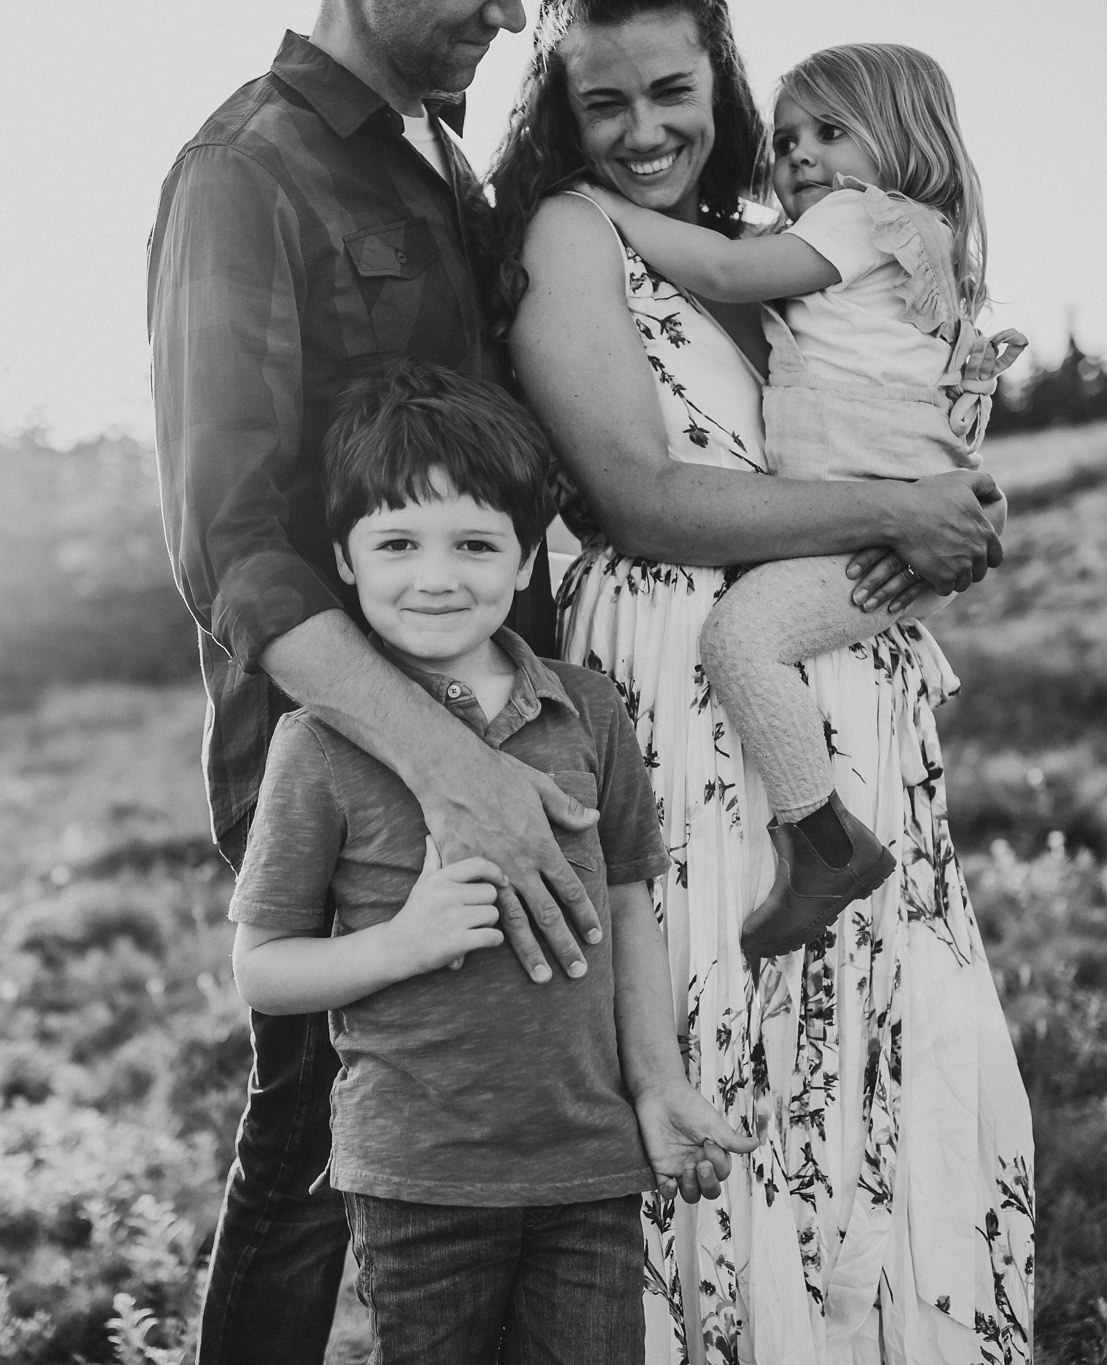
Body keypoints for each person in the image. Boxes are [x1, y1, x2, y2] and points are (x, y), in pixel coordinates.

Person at [486, 2, 1036, 1361]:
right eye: (604, 104)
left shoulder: (783, 228)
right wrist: (893, 510)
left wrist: (953, 503)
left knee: (866, 1071)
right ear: (563, 108)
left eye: (671, 92)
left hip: (834, 686)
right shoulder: (574, 227)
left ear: (716, 82)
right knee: (742, 1065)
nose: (643, 131)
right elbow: (649, 499)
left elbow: (861, 433)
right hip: (692, 693)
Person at [148, 5, 643, 1362]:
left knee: (523, 1113)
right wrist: (455, 771)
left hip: (510, 732)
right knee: (311, 1145)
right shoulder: (244, 173)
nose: (502, 12)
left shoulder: (451, 163)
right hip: (347, 762)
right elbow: (231, 548)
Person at [229, 360, 748, 1364]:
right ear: (343, 557)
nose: (435, 576)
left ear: (524, 562)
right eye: (396, 543)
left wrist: (657, 1085)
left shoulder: (587, 711)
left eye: (473, 543)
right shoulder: (322, 743)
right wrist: (404, 942)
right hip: (417, 1182)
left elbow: (629, 908)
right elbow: (261, 969)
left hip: (588, 1172)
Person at [581, 43, 1029, 961]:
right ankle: (824, 839)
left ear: (904, 139)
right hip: (879, 519)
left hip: (880, 519)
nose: (800, 156)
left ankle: (824, 843)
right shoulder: (865, 245)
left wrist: (607, 207)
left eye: (831, 131)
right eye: (786, 140)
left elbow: (727, 274)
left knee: (741, 639)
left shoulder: (867, 219)